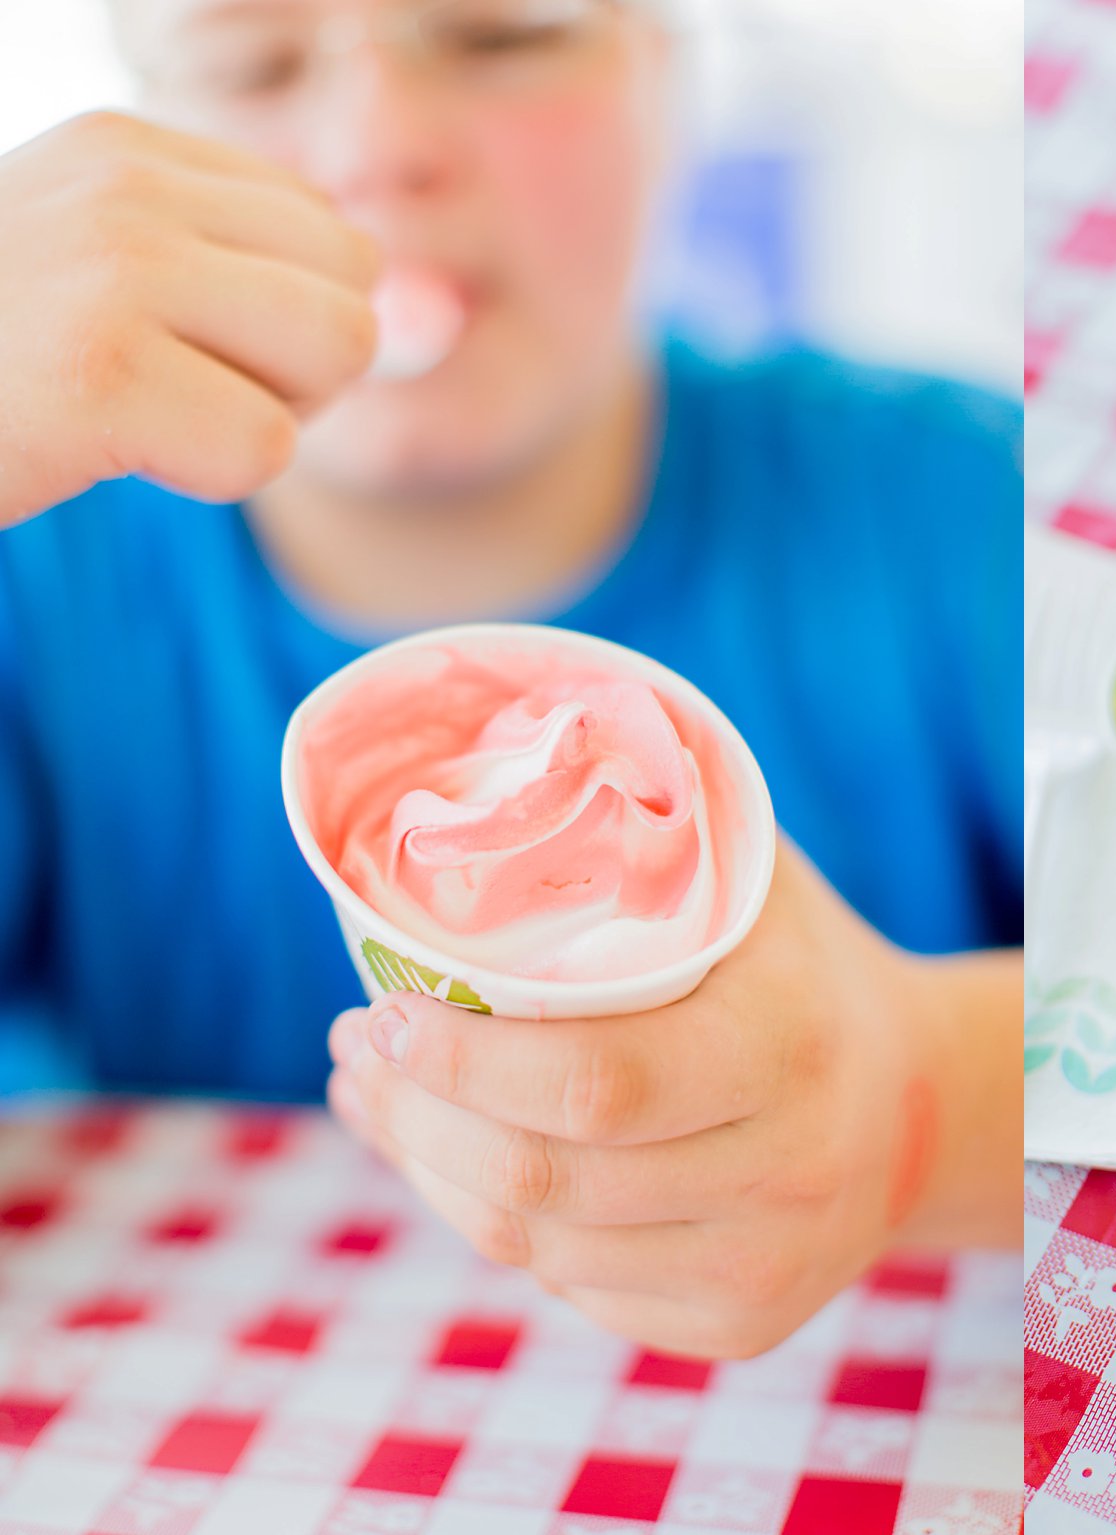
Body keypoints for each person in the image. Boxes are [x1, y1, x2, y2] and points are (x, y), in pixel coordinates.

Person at [0, 0, 1021, 1359]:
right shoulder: (37, 574)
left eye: (500, 36)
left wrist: (927, 1112)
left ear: (674, 73)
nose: (378, 147)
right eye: (251, 62)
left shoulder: (968, 508)